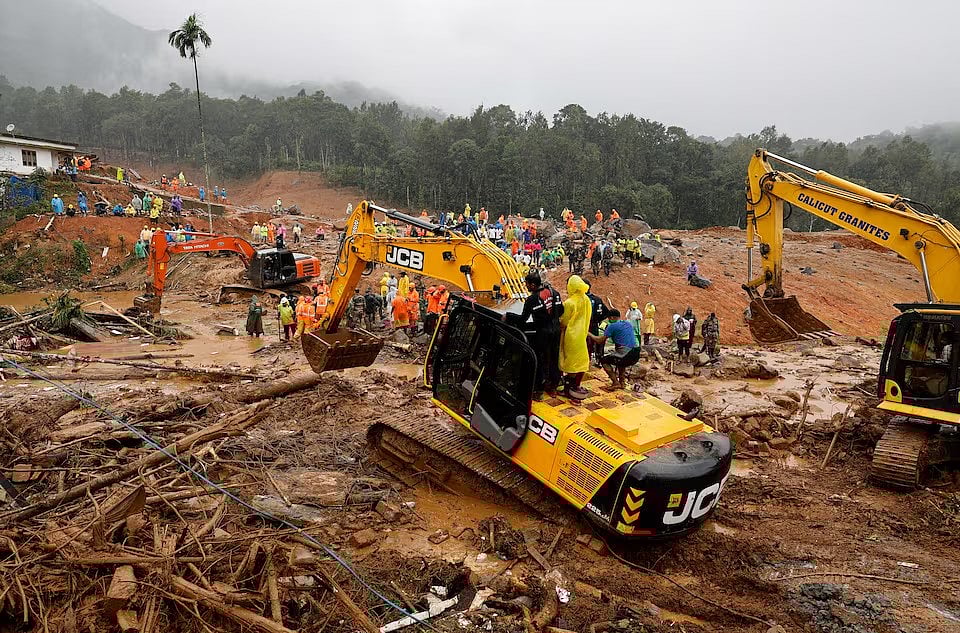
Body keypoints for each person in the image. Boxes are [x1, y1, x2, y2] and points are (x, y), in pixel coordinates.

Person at [506, 271, 563, 395]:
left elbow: (523, 319)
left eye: (526, 284)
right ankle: (553, 385)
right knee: (554, 358)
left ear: (532, 285)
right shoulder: (555, 293)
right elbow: (561, 311)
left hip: (543, 334)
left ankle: (539, 389)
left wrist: (508, 316)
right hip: (556, 331)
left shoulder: (532, 299)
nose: (525, 286)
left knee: (539, 359)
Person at [588, 309, 641, 389]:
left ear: (612, 317)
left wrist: (588, 333)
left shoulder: (612, 326)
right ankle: (622, 382)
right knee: (620, 361)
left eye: (609, 318)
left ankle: (615, 382)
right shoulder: (627, 323)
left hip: (627, 353)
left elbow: (599, 340)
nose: (608, 320)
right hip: (636, 352)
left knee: (604, 360)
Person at [559, 275, 592, 400]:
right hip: (582, 334)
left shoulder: (569, 302)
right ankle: (574, 386)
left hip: (571, 336)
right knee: (578, 361)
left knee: (569, 362)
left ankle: (567, 389)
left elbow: (564, 321)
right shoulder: (586, 300)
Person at [585, 280, 612, 366]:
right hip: (595, 325)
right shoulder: (597, 299)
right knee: (595, 343)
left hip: (585, 326)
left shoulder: (581, 299)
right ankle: (598, 361)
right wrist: (600, 321)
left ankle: (590, 362)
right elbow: (607, 313)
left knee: (587, 345)